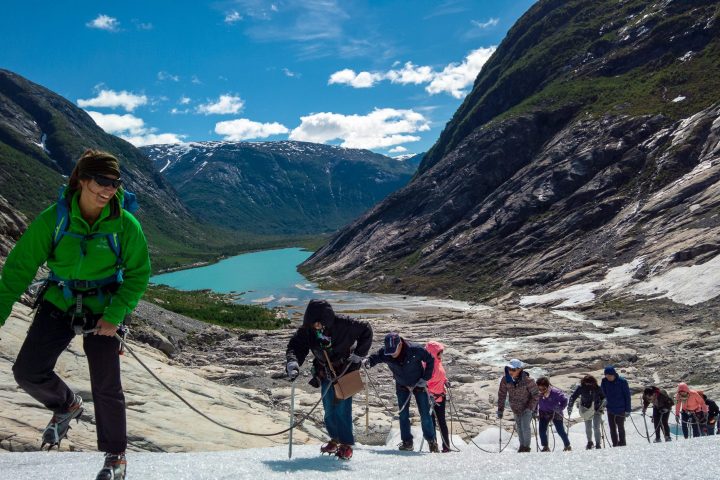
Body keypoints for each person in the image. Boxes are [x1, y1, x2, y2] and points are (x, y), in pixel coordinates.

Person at [0, 150, 151, 480]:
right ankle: (66, 404)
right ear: (82, 180)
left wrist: (115, 315)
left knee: (106, 384)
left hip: (103, 305)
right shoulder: (55, 219)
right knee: (27, 372)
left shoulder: (125, 224)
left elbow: (138, 273)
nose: (109, 189)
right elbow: (18, 269)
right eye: (102, 181)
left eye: (115, 183)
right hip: (60, 299)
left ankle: (115, 456)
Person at [285, 299, 372, 460]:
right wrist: (293, 362)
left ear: (325, 319)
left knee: (342, 409)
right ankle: (335, 439)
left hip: (345, 371)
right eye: (313, 324)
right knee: (329, 410)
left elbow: (366, 329)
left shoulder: (344, 324)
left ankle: (346, 445)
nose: (315, 326)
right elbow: (296, 346)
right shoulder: (308, 329)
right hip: (324, 371)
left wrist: (359, 354)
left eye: (317, 323)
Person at [365, 332, 438, 452]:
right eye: (390, 352)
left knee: (425, 414)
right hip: (401, 385)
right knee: (403, 415)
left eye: (394, 351)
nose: (392, 354)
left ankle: (431, 441)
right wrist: (368, 361)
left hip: (419, 385)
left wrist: (425, 379)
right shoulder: (386, 352)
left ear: (400, 345)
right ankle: (407, 442)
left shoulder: (415, 350)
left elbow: (430, 360)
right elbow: (375, 357)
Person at [496, 359, 539, 453]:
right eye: (509, 369)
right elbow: (502, 394)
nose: (510, 371)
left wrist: (531, 408)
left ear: (519, 369)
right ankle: (522, 446)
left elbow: (536, 395)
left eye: (513, 369)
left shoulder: (528, 381)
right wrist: (500, 410)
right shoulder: (505, 380)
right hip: (515, 408)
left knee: (525, 427)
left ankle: (526, 448)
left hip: (527, 408)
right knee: (519, 428)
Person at [568, 374, 605, 449]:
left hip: (597, 409)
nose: (588, 385)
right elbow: (573, 397)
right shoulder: (581, 388)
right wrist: (570, 406)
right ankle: (589, 442)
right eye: (586, 383)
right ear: (583, 382)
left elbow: (603, 397)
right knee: (588, 427)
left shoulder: (597, 388)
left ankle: (598, 444)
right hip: (586, 410)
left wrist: (603, 404)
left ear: (593, 382)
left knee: (596, 427)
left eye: (590, 383)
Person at [425, 341, 451, 452]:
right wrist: (429, 395)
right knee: (431, 423)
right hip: (430, 398)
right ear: (433, 352)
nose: (441, 354)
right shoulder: (427, 366)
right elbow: (424, 382)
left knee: (442, 423)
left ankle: (446, 447)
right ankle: (434, 447)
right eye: (440, 352)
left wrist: (446, 381)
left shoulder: (438, 362)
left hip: (441, 396)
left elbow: (442, 375)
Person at [535, 377, 571, 452]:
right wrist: (534, 411)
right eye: (539, 389)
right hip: (543, 412)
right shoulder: (537, 393)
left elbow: (565, 400)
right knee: (542, 430)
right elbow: (535, 402)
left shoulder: (556, 392)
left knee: (560, 430)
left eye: (543, 389)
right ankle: (545, 447)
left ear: (547, 386)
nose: (541, 391)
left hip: (556, 412)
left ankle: (567, 445)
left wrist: (560, 408)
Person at [600, 366, 631, 447]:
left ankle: (623, 443)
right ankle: (615, 444)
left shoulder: (622, 381)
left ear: (613, 374)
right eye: (606, 376)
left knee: (620, 427)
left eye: (609, 376)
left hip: (621, 408)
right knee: (612, 428)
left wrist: (628, 409)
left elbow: (627, 396)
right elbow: (602, 394)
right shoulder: (604, 382)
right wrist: (602, 403)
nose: (608, 378)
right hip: (610, 409)